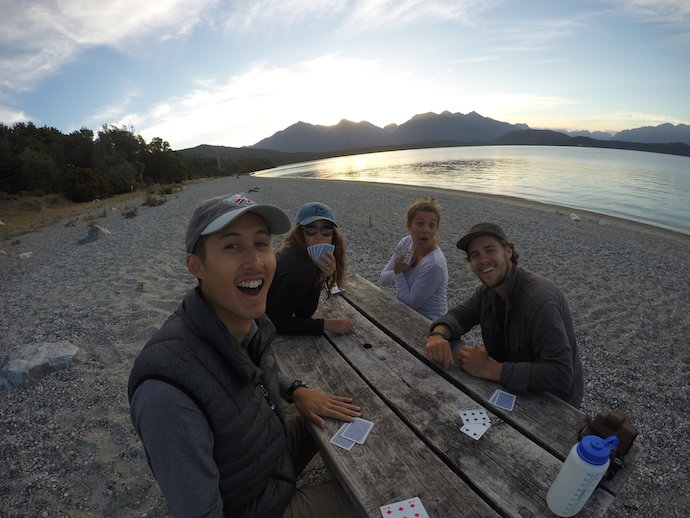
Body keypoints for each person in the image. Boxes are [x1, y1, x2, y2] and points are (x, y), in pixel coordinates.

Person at [128, 193, 361, 517]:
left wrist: (296, 389)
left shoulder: (248, 324)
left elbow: (248, 368)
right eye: (232, 246)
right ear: (197, 266)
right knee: (376, 497)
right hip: (258, 506)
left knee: (340, 409)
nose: (255, 261)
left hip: (268, 457)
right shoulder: (165, 395)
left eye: (262, 244)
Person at [424, 222, 583, 407]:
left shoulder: (540, 300)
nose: (483, 260)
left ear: (508, 251)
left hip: (554, 404)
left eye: (490, 250)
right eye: (475, 255)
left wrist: (488, 368)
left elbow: (561, 374)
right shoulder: (489, 291)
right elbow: (462, 314)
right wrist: (438, 334)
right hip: (511, 388)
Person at [266, 202, 353, 335]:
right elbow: (277, 323)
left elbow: (303, 311)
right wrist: (325, 324)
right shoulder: (300, 267)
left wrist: (321, 276)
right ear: (300, 232)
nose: (319, 236)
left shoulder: (292, 252)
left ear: (333, 234)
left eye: (326, 229)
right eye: (311, 229)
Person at [378, 197, 448, 320]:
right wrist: (398, 271)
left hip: (428, 321)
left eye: (432, 225)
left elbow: (410, 304)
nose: (426, 230)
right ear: (409, 225)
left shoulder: (434, 264)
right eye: (420, 223)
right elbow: (383, 278)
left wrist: (399, 273)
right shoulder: (405, 243)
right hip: (405, 315)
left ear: (436, 229)